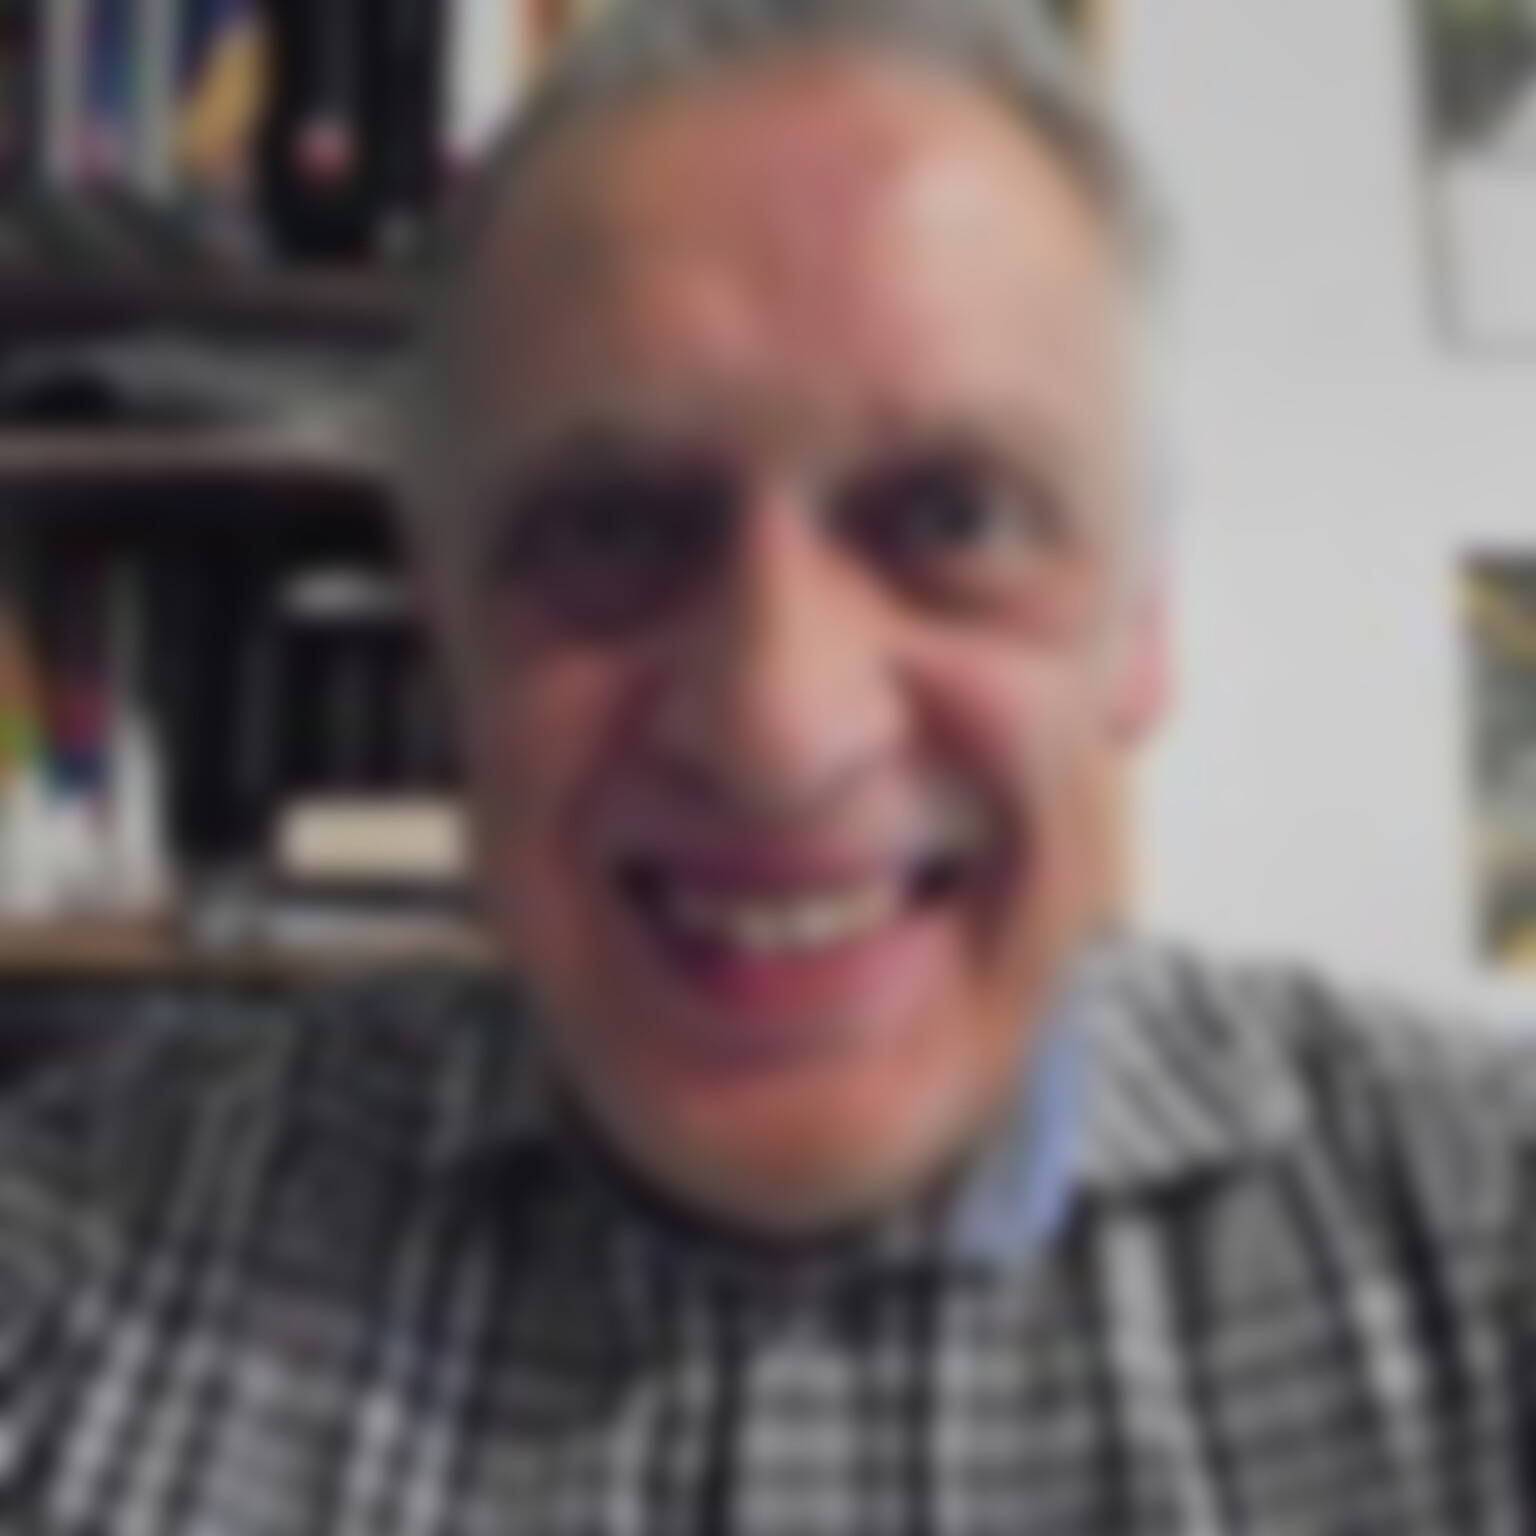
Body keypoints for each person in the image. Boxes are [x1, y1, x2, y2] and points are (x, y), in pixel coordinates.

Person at [3, 1, 1534, 1530]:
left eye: (954, 518)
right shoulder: (79, 1257)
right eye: (612, 529)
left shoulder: (1485, 1240)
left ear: (1138, 626)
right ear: (447, 632)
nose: (776, 733)